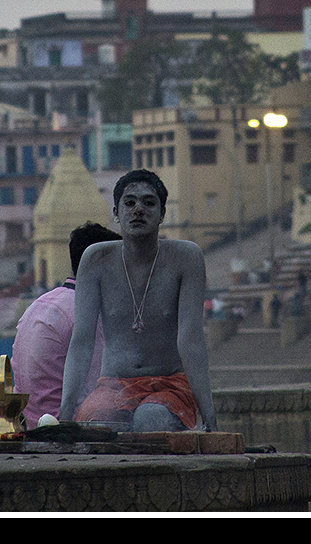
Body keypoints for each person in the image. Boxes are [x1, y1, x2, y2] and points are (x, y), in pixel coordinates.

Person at [60, 169, 217, 432]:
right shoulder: (95, 260)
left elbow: (191, 340)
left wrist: (210, 417)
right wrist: (65, 414)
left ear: (162, 215)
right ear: (116, 213)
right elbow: (82, 341)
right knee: (99, 424)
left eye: (149, 203)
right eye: (130, 203)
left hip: (170, 385)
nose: (138, 210)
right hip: (113, 385)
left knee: (151, 420)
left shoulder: (186, 258)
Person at [11, 222, 121, 429]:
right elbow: (97, 390)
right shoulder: (88, 314)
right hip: (62, 428)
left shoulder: (38, 304)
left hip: (25, 424)